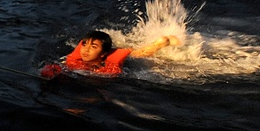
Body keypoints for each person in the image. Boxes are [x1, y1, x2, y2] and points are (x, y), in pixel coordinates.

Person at [40, 30, 180, 77]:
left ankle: (160, 43)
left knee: (137, 55)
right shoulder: (76, 58)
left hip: (127, 63)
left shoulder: (109, 65)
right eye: (84, 44)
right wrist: (55, 70)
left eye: (93, 46)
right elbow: (65, 67)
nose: (86, 50)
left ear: (103, 53)